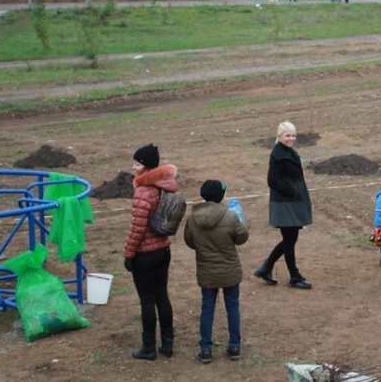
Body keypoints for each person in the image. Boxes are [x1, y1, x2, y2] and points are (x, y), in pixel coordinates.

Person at [184, 180, 249, 364]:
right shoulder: (230, 216)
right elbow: (241, 238)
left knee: (207, 309)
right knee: (233, 307)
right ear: (221, 196)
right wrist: (241, 221)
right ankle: (234, 346)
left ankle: (205, 349)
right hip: (230, 270)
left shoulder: (193, 218)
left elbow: (190, 242)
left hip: (207, 271)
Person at [123, 143, 177, 361]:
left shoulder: (143, 191)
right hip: (163, 249)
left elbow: (137, 228)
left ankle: (148, 348)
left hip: (145, 254)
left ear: (145, 166)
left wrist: (128, 254)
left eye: (137, 163)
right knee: (162, 296)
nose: (133, 167)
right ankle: (167, 343)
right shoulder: (164, 185)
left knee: (147, 300)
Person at [254, 122, 313, 289]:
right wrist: (291, 191)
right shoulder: (278, 154)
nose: (291, 138)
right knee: (289, 240)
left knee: (290, 239)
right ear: (279, 136)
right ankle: (294, 276)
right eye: (288, 135)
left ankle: (266, 268)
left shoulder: (288, 152)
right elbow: (272, 180)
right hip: (285, 203)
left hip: (290, 202)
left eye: (293, 135)